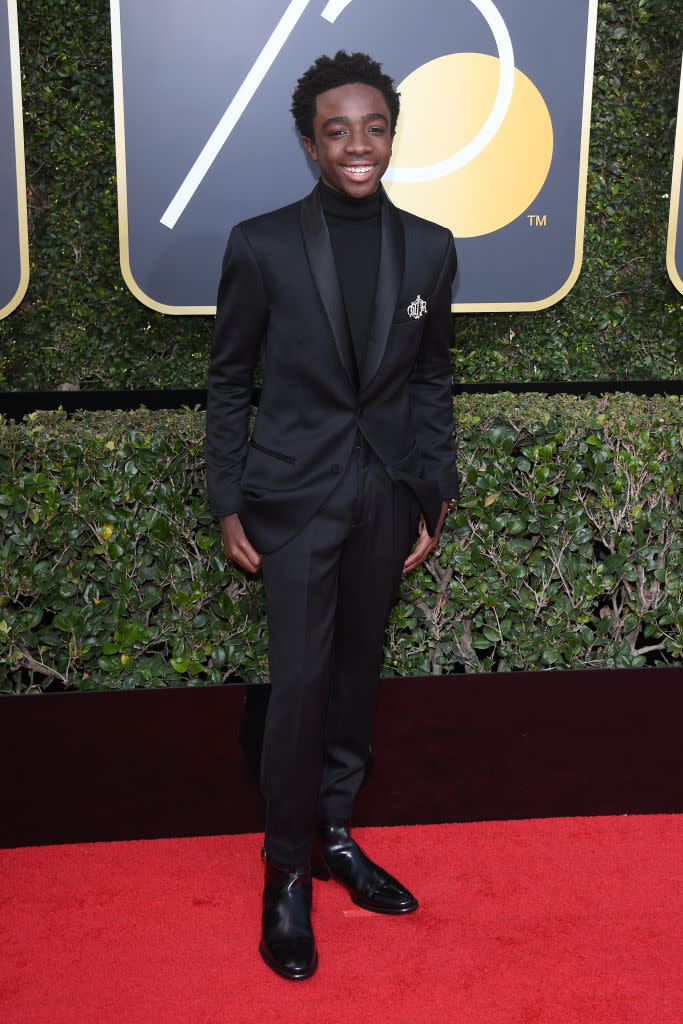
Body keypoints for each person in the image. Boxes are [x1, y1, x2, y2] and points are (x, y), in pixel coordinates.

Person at [205, 50, 458, 980]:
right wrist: (227, 497)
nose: (358, 145)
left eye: (373, 126)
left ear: (392, 133)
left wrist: (435, 492)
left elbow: (431, 378)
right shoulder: (261, 242)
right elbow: (229, 378)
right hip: (293, 496)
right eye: (337, 130)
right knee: (301, 684)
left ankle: (338, 837)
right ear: (311, 144)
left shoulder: (429, 244)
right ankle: (284, 874)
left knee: (356, 678)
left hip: (386, 496)